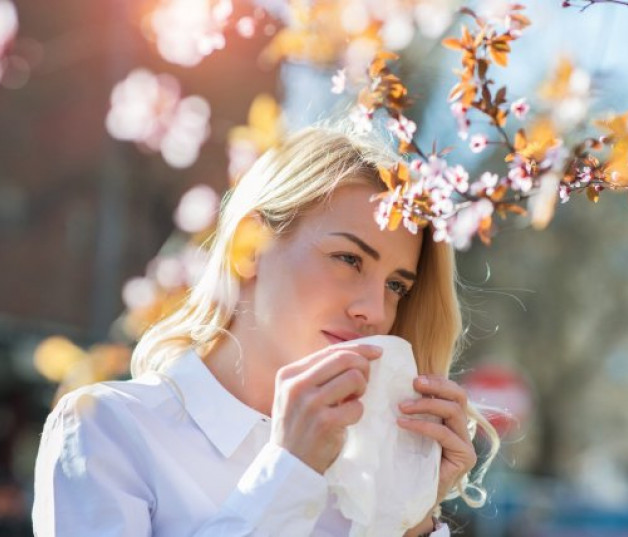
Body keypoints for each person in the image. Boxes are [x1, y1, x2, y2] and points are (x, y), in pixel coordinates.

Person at [33, 123, 499, 536]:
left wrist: (410, 516)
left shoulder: (365, 475)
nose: (374, 311)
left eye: (397, 285)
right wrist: (289, 471)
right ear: (249, 248)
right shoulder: (108, 430)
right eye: (349, 259)